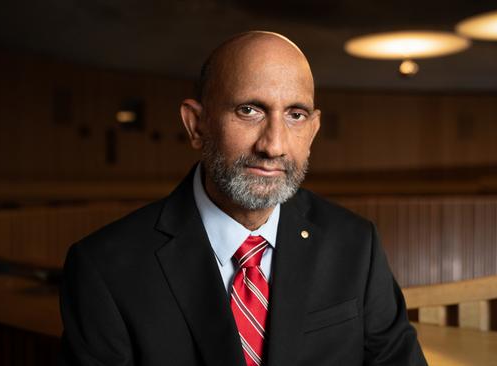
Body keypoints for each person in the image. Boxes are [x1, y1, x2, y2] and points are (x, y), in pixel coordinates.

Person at [59, 31, 427, 366]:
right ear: (196, 125)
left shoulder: (356, 244)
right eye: (249, 110)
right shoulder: (104, 268)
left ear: (313, 131)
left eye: (295, 115)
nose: (274, 145)